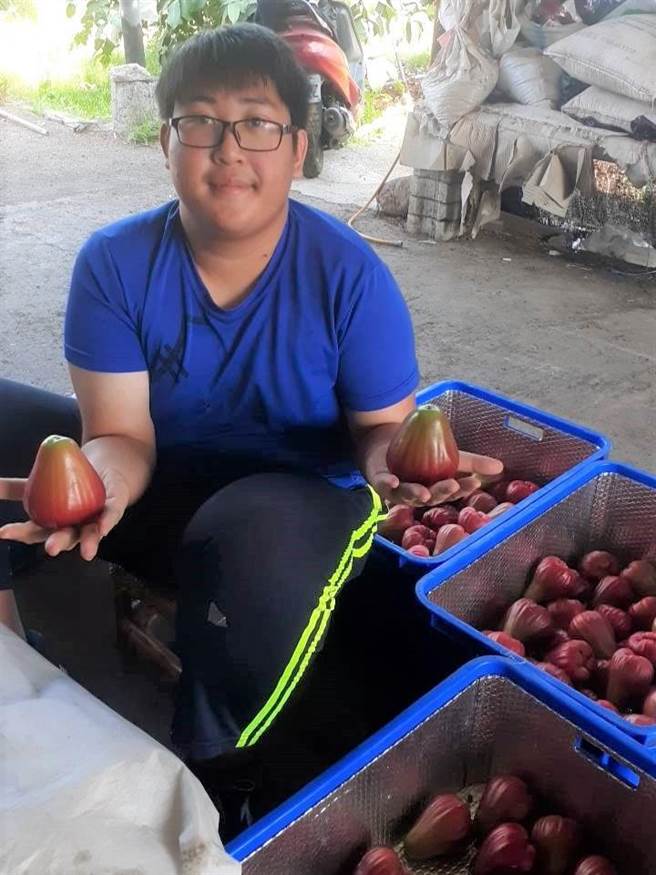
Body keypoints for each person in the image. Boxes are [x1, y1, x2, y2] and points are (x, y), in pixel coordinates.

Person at [0, 23, 501, 836]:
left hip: (293, 516)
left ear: (297, 148)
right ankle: (12, 658)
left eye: (258, 123)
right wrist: (103, 487)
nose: (229, 148)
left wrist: (392, 464)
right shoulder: (114, 264)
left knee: (252, 531)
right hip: (158, 489)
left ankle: (219, 776)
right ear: (165, 141)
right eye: (200, 121)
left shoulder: (350, 277)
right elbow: (122, 435)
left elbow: (379, 432)